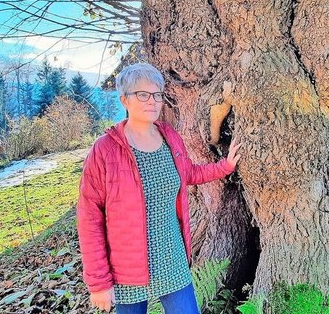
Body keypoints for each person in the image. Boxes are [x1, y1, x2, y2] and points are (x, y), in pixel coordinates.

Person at [76, 63, 242, 314]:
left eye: (157, 94)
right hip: (127, 270)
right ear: (124, 100)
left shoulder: (169, 137)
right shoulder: (105, 150)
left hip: (172, 260)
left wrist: (225, 166)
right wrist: (99, 282)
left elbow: (189, 173)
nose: (152, 101)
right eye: (142, 94)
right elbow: (90, 218)